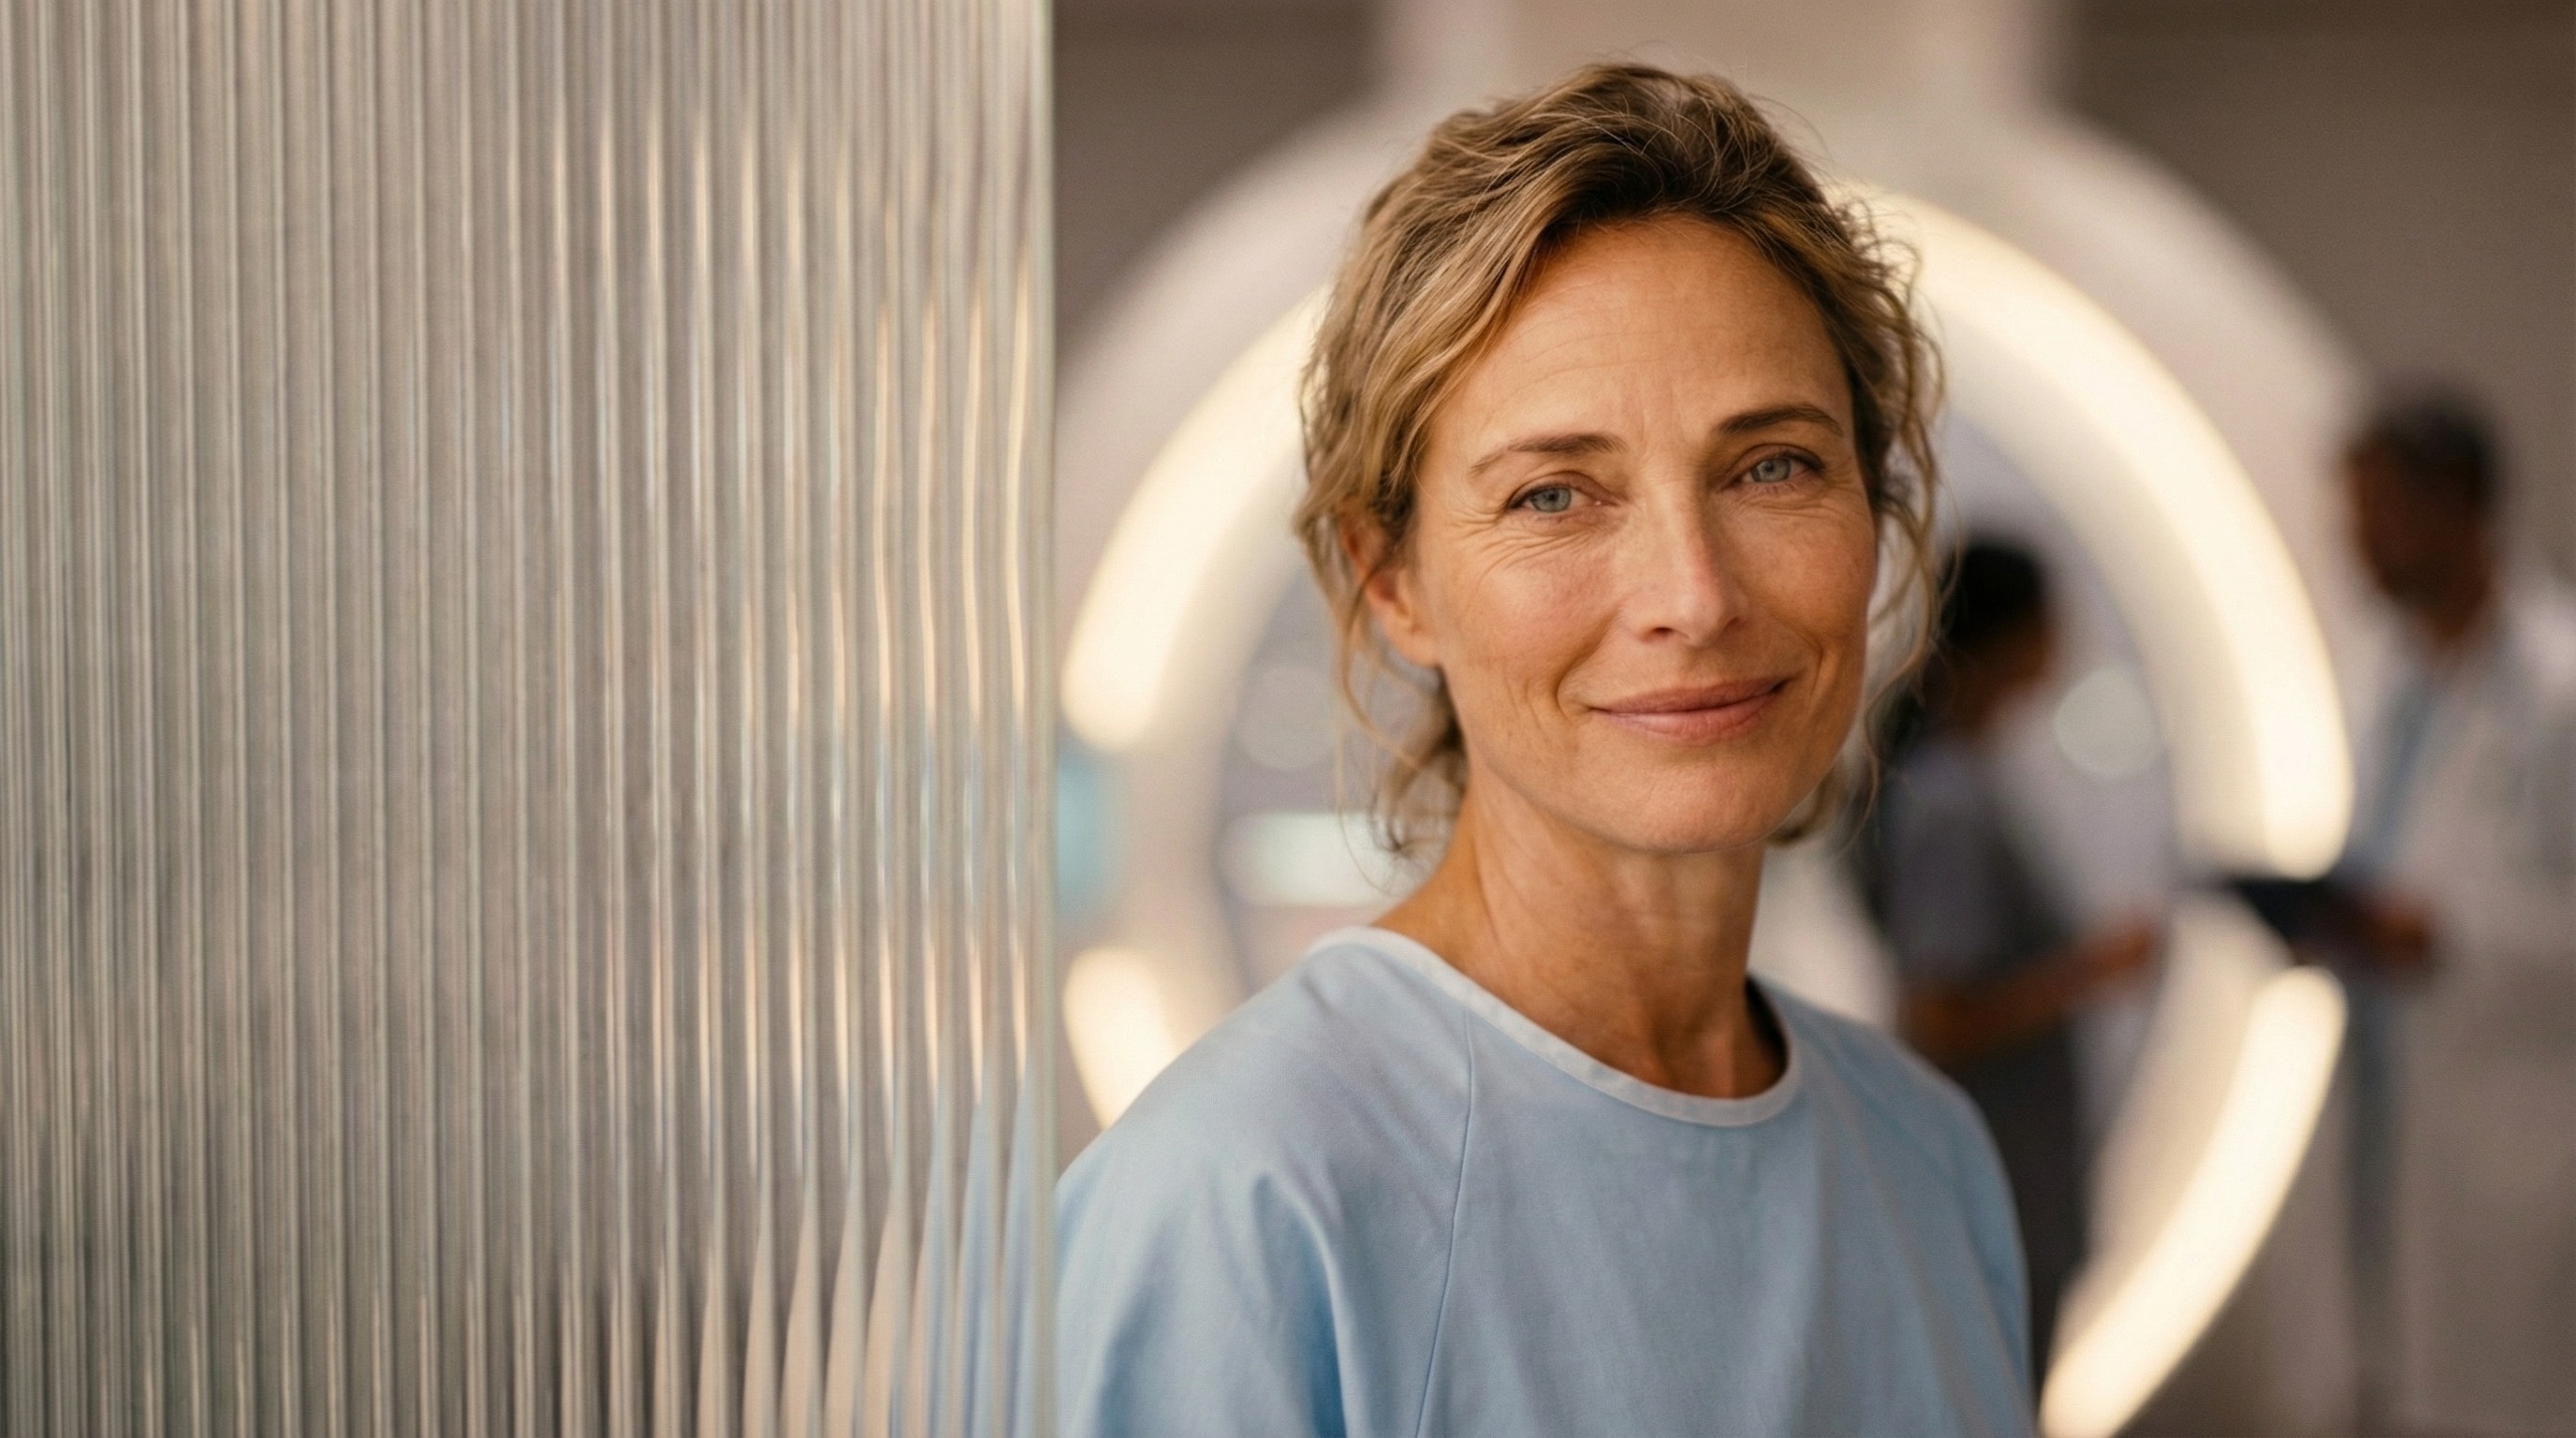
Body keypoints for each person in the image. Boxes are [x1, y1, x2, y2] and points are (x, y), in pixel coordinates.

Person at [1055, 65, 2033, 1437]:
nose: (1692, 594)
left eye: (1773, 468)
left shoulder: (1927, 1158)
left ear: (1875, 514)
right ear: (1389, 579)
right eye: (1554, 494)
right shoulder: (1243, 1196)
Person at [1855, 538, 2159, 1384]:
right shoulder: (1951, 799)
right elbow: (1939, 1013)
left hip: (2006, 1177)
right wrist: (2091, 970)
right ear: (2013, 632)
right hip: (1989, 1182)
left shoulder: (1974, 775)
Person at [2333, 392, 2576, 1436]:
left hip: (2521, 1120)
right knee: (2408, 1381)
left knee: (2510, 1391)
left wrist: (2445, 935)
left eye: (2378, 513)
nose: (2359, 545)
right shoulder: (2397, 680)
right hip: (2398, 1094)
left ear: (2456, 508)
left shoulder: (2557, 691)